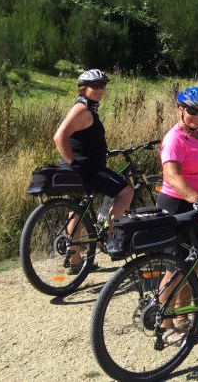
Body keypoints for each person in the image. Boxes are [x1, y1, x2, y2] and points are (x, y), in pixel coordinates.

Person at [156, 86, 198, 345]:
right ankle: (164, 324)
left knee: (192, 265)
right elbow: (172, 176)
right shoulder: (175, 139)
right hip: (179, 206)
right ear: (180, 109)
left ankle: (182, 318)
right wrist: (197, 199)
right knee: (175, 267)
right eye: (193, 110)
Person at [53, 69, 134, 266]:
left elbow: (81, 139)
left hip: (79, 166)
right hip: (85, 167)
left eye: (102, 86)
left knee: (76, 208)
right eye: (94, 86)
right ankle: (112, 241)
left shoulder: (85, 107)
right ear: (83, 89)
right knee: (126, 191)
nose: (99, 90)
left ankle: (75, 260)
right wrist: (74, 163)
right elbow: (59, 137)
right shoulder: (82, 109)